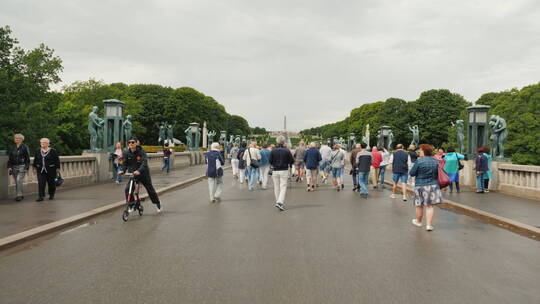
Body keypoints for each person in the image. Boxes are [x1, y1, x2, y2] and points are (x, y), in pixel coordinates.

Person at [118, 137, 162, 212]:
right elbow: (125, 164)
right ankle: (131, 205)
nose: (131, 144)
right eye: (129, 142)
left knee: (150, 189)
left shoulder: (141, 152)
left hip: (143, 173)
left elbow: (144, 163)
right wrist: (122, 170)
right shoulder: (126, 153)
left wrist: (139, 171)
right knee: (128, 189)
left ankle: (157, 203)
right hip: (133, 174)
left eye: (132, 142)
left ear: (136, 143)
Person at [409, 144, 442, 231]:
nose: (419, 152)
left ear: (424, 151)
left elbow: (412, 173)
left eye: (420, 150)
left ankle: (419, 222)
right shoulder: (436, 161)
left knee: (419, 205)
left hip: (420, 185)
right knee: (430, 206)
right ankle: (428, 225)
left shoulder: (419, 161)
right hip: (433, 185)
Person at [269, 135, 294, 211]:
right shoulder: (286, 150)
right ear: (283, 142)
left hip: (275, 170)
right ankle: (280, 202)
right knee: (283, 187)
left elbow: (270, 161)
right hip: (284, 170)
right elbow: (292, 161)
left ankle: (278, 201)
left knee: (276, 187)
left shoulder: (273, 150)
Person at [7, 134, 31, 201]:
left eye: (18, 138)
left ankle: (19, 195)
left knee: (18, 180)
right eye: (15, 138)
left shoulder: (25, 147)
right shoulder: (12, 147)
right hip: (14, 166)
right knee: (17, 182)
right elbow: (10, 159)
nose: (16, 139)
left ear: (21, 139)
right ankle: (20, 194)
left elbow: (27, 158)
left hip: (22, 166)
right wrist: (9, 167)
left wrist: (26, 167)